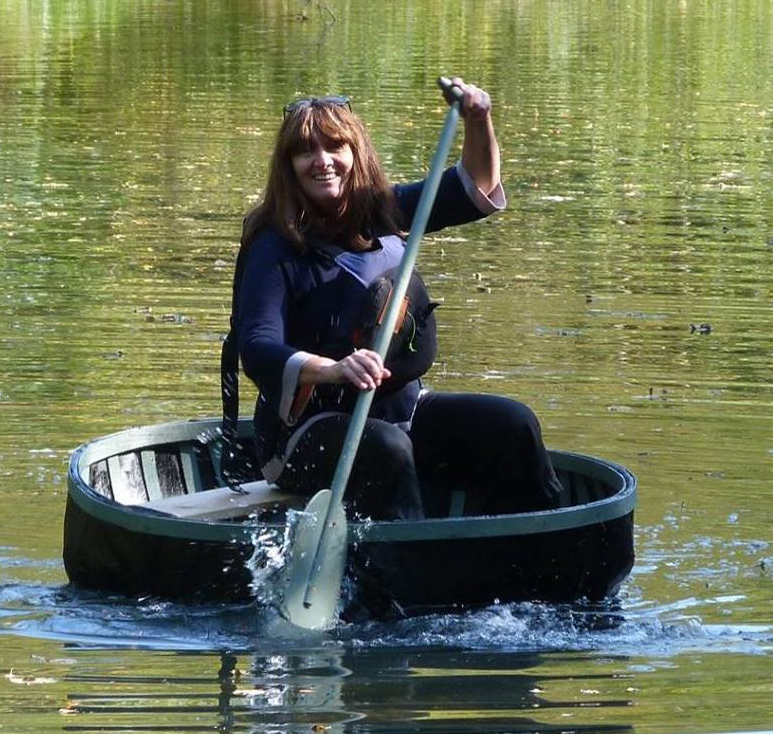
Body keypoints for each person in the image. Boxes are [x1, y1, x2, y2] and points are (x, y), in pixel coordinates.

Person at [230, 80, 561, 521]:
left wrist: (478, 119)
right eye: (305, 151)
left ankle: (538, 546)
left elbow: (477, 185)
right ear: (289, 166)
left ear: (355, 153)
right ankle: (409, 568)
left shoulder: (385, 213)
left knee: (511, 424)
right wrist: (332, 369)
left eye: (335, 147)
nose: (322, 162)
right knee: (387, 448)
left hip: (399, 414)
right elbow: (258, 347)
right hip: (302, 436)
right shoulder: (274, 246)